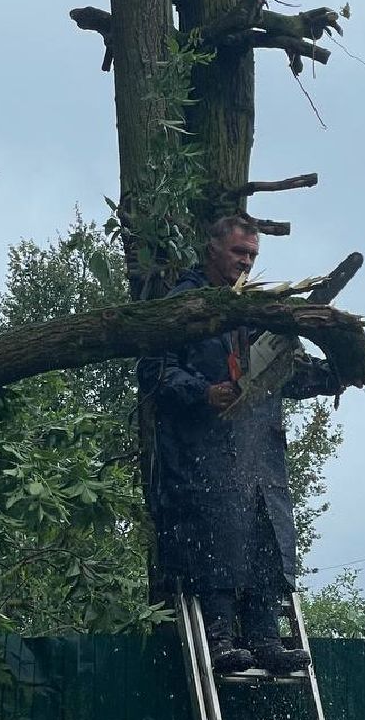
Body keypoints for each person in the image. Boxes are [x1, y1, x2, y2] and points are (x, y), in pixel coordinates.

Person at [137, 215, 342, 674]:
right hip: (199, 453)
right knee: (217, 534)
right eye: (239, 253)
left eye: (252, 255)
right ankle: (220, 637)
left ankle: (267, 639)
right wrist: (204, 392)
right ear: (212, 249)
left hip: (258, 453)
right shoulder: (183, 305)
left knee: (267, 534)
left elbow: (279, 371)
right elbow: (154, 371)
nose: (246, 262)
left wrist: (334, 375)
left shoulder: (256, 307)